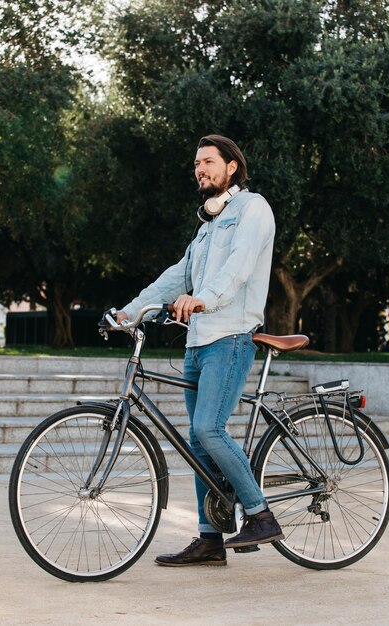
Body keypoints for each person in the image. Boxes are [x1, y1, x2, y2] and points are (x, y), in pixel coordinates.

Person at [116, 134, 283, 567]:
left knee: (209, 428)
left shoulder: (253, 209)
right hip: (197, 343)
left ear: (232, 167)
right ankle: (211, 540)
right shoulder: (208, 224)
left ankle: (261, 515)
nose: (200, 170)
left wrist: (203, 297)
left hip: (229, 337)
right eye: (196, 164)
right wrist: (128, 312)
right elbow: (177, 275)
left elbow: (240, 266)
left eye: (208, 162)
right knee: (197, 442)